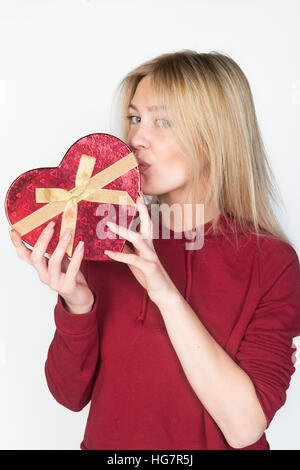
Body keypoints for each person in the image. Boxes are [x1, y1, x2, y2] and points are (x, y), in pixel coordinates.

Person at [9, 50, 300, 450]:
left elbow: (244, 427)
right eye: (135, 118)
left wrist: (163, 291)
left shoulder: (271, 262)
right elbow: (69, 395)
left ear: (217, 135)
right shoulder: (107, 238)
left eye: (162, 121)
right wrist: (77, 302)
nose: (136, 139)